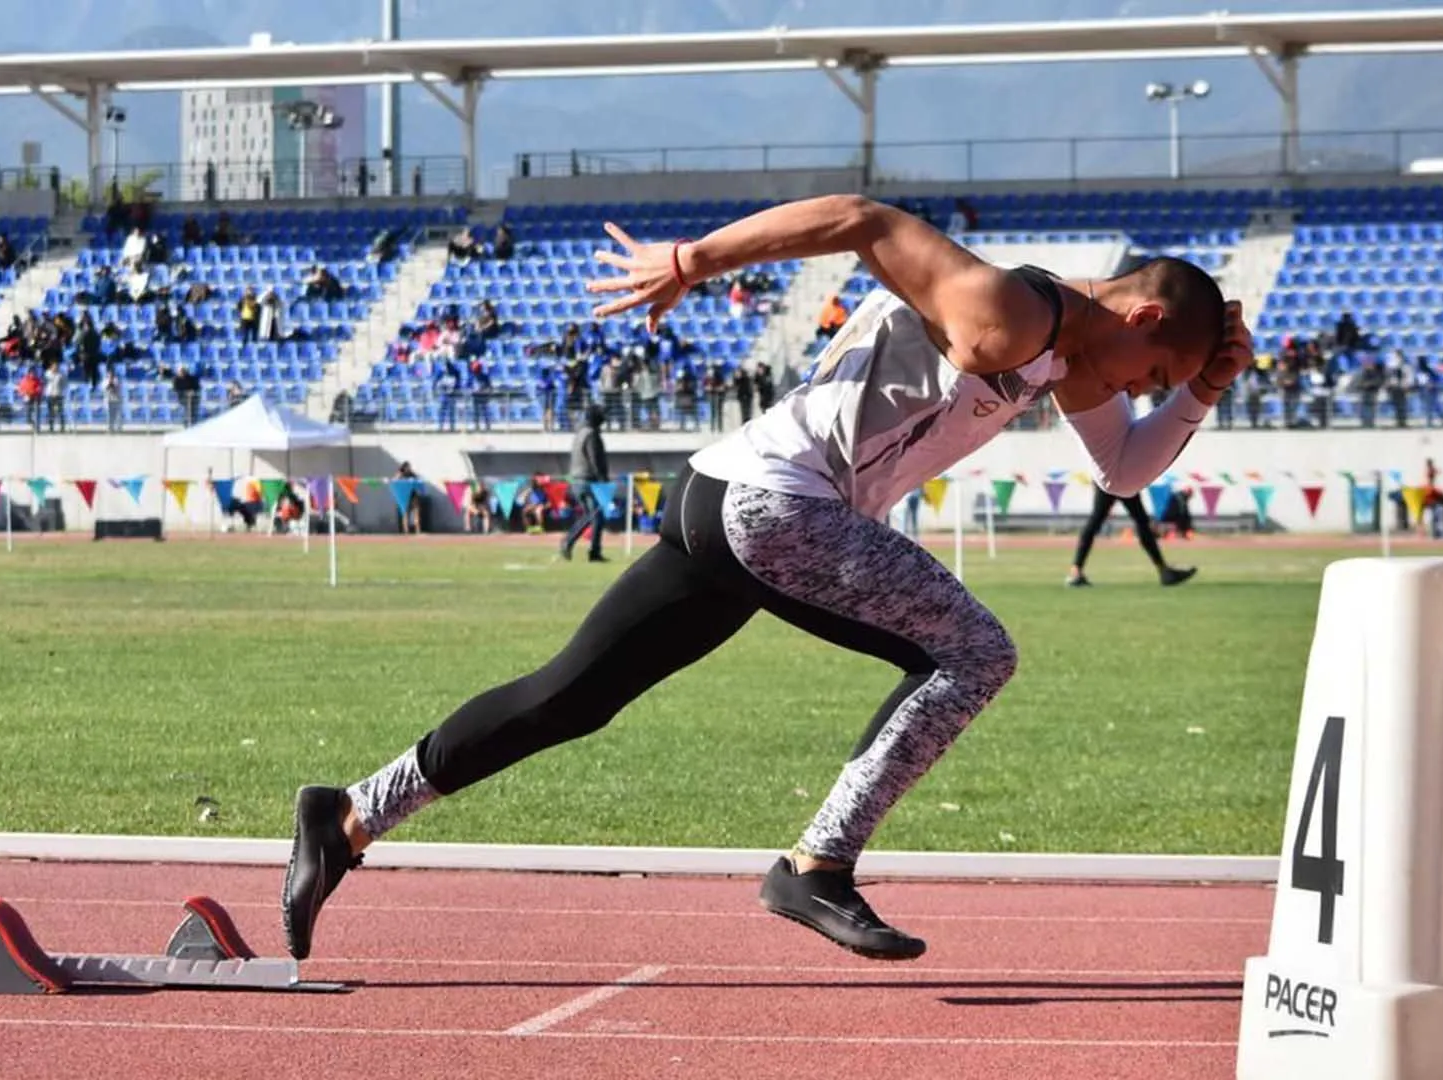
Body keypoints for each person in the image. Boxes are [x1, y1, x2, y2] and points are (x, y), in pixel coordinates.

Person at [282, 194, 1250, 964]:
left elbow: (1124, 469)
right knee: (975, 653)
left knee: (570, 697)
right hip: (778, 505)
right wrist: (689, 261)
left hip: (723, 495)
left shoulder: (1069, 353)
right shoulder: (1011, 310)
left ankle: (350, 814)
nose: (1139, 394)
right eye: (1155, 375)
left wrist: (1202, 391)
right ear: (1142, 316)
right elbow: (862, 219)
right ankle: (818, 865)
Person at [1065, 489, 1196, 587]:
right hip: (1122, 478)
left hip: (1109, 476)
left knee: (1096, 520)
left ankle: (1076, 571)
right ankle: (1164, 571)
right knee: (1141, 522)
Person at [559, 404, 611, 562]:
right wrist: (603, 479)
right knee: (593, 515)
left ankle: (594, 552)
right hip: (587, 481)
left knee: (595, 516)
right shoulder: (591, 435)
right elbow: (595, 459)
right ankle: (569, 540)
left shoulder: (580, 433)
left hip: (578, 480)